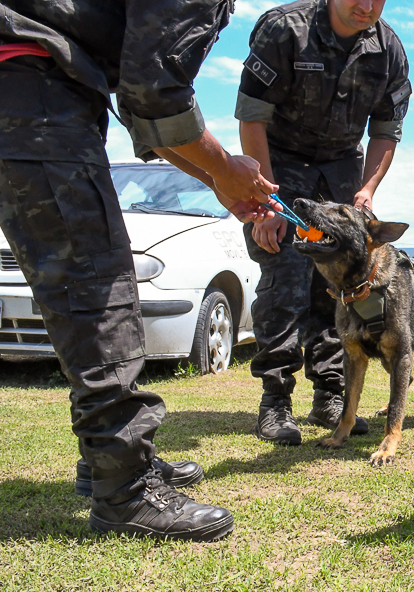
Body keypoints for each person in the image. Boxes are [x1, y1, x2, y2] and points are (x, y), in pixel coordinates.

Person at [0, 0, 280, 541]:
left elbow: (140, 105)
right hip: (28, 84)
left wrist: (217, 178)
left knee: (81, 291)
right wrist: (225, 166)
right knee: (98, 290)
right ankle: (125, 489)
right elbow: (156, 92)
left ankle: (103, 463)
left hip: (33, 79)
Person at [235, 0, 411, 445]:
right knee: (285, 276)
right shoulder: (284, 29)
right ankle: (275, 401)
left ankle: (330, 395)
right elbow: (252, 115)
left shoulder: (388, 49)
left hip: (341, 170)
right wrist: (268, 200)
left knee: (341, 284)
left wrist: (368, 189)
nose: (367, 6)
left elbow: (386, 131)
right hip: (279, 165)